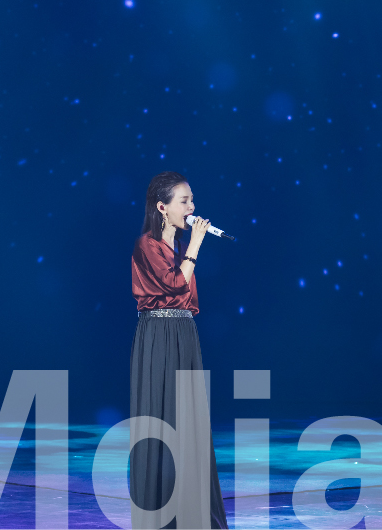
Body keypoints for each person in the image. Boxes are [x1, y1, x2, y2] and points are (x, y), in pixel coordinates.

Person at [128, 171, 227, 529]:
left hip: (184, 333)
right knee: (161, 417)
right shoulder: (147, 246)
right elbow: (173, 284)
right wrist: (197, 245)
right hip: (158, 333)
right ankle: (160, 514)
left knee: (189, 421)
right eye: (184, 201)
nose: (192, 208)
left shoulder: (180, 251)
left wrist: (190, 249)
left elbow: (187, 297)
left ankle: (193, 512)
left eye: (192, 200)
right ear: (162, 207)